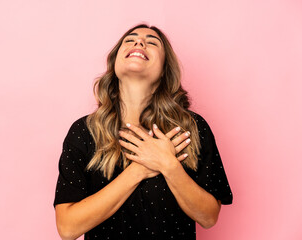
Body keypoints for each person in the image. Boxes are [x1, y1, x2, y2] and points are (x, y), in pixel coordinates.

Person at [53, 24, 233, 240]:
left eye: (152, 41)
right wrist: (139, 169)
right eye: (130, 40)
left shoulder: (192, 128)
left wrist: (169, 166)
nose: (139, 42)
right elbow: (67, 228)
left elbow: (209, 217)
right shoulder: (84, 132)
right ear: (114, 64)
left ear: (165, 69)